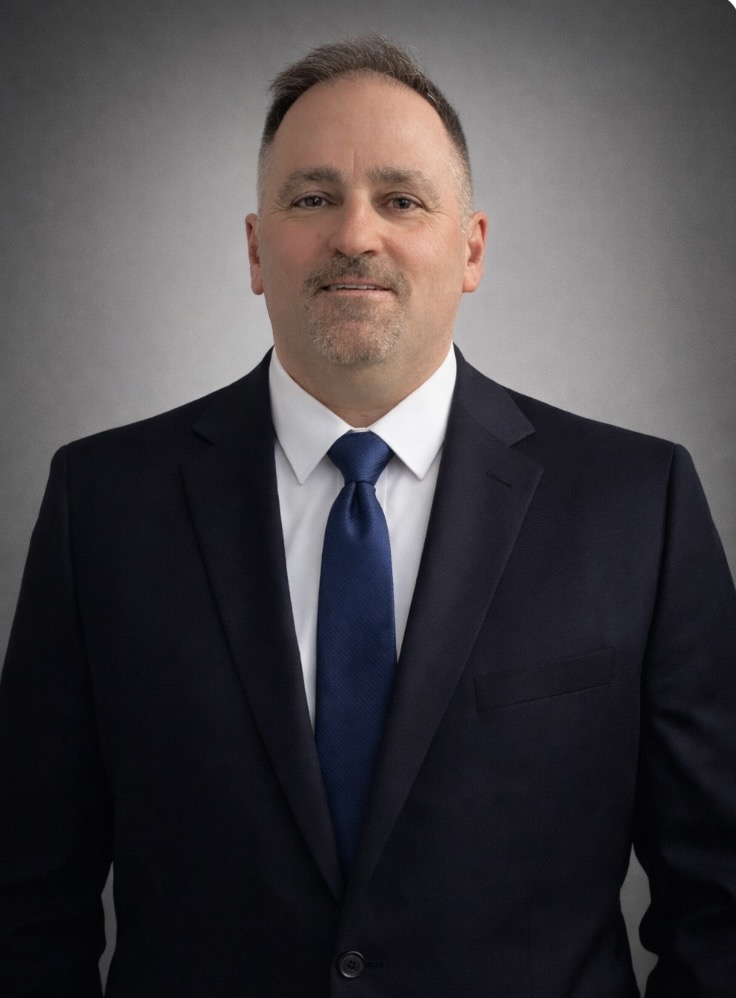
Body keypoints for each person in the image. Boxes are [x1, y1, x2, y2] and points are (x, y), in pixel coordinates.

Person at [1, 34, 735, 998]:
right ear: (256, 249)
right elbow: (26, 903)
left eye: (401, 199)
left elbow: (721, 899)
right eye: (312, 198)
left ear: (470, 248)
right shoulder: (100, 505)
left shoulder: (640, 504)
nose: (355, 233)